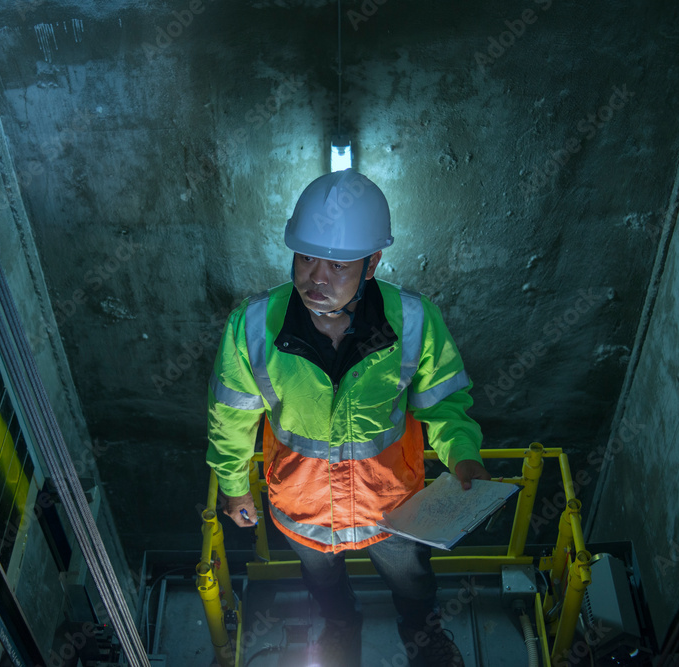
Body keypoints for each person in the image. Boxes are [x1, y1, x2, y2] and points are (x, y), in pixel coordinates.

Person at [205, 169, 489, 667]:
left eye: (337, 264)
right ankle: (339, 630)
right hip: (303, 507)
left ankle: (424, 639)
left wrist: (463, 458)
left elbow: (444, 405)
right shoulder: (251, 327)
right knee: (322, 584)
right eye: (306, 256)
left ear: (373, 261)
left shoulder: (415, 322)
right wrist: (232, 484)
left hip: (394, 506)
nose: (316, 277)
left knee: (413, 582)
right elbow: (230, 417)